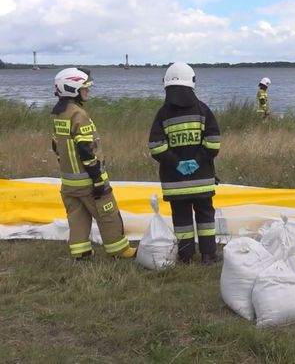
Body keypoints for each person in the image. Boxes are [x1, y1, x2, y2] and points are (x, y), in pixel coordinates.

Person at [50, 68, 136, 259]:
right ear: (73, 89)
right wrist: (97, 179)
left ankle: (81, 254)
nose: (88, 91)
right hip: (88, 181)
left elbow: (56, 146)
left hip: (69, 184)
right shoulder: (78, 115)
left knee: (77, 218)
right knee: (109, 215)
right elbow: (86, 150)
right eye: (84, 87)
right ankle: (120, 250)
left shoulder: (59, 115)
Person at [148, 62, 221, 264]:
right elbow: (213, 143)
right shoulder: (203, 111)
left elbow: (156, 146)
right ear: (192, 83)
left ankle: (186, 256)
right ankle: (208, 256)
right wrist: (197, 162)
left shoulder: (162, 114)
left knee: (181, 220)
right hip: (201, 180)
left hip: (175, 182)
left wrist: (176, 163)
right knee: (205, 217)